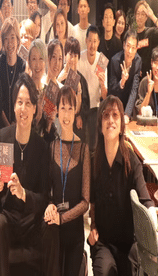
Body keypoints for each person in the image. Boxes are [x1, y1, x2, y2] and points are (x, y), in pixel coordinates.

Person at [88, 95, 156, 276]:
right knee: (105, 272)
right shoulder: (94, 161)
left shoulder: (131, 162)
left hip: (128, 243)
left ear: (121, 125)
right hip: (103, 242)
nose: (110, 120)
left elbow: (146, 201)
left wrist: (154, 232)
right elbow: (92, 203)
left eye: (115, 115)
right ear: (100, 125)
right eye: (106, 115)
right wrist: (93, 226)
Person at [0, 73, 49, 276]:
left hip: (31, 221)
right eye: (19, 102)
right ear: (14, 106)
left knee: (51, 227)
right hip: (8, 216)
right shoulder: (3, 136)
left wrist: (24, 194)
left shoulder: (41, 147)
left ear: (35, 109)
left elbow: (44, 197)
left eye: (28, 103)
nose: (23, 109)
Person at [43, 86, 90, 276]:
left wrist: (63, 218)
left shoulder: (84, 149)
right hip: (54, 230)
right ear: (56, 110)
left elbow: (85, 202)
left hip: (74, 232)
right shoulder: (51, 146)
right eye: (63, 108)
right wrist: (49, 205)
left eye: (70, 108)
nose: (66, 114)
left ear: (76, 110)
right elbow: (47, 190)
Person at [77, 26, 108, 152]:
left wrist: (102, 84)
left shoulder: (102, 60)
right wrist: (77, 114)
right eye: (90, 40)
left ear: (99, 42)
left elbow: (104, 96)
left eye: (95, 41)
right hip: (81, 109)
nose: (92, 45)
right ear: (86, 40)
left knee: (94, 148)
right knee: (80, 147)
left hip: (96, 109)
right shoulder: (79, 58)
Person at [0, 17, 26, 126]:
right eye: (6, 39)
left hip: (19, 123)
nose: (10, 43)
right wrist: (8, 126)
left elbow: (23, 99)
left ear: (18, 39)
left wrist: (15, 123)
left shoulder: (23, 66)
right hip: (1, 124)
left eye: (12, 37)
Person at [58, 37, 90, 144]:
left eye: (75, 56)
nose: (73, 59)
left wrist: (79, 115)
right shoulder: (59, 76)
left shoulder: (82, 80)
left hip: (76, 127)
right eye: (70, 55)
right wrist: (58, 80)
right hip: (60, 125)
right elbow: (50, 103)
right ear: (65, 55)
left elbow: (86, 105)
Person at [108, 30, 142, 124]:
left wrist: (127, 114)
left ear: (136, 49)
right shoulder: (115, 61)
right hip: (115, 104)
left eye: (133, 48)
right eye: (128, 46)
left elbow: (134, 90)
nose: (130, 51)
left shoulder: (138, 61)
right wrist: (122, 82)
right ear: (124, 45)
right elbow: (112, 90)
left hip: (129, 107)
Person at [133, 0, 158, 77]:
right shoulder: (131, 35)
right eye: (138, 14)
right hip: (134, 78)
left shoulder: (151, 32)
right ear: (135, 16)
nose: (140, 17)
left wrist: (152, 16)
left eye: (143, 14)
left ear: (146, 17)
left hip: (149, 77)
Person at [136, 46, 158, 116]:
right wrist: (148, 93)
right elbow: (140, 113)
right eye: (155, 63)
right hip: (148, 122)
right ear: (151, 62)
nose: (157, 68)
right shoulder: (144, 82)